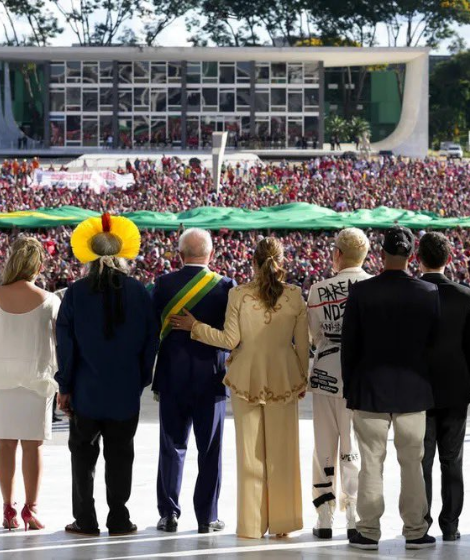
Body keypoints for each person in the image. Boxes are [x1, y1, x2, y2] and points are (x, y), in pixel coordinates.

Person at [171, 236, 308, 539]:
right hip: (284, 379)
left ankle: (251, 525)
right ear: (281, 261)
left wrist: (195, 327)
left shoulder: (239, 295)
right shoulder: (296, 295)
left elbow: (228, 341)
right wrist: (302, 380)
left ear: (253, 262)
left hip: (245, 379)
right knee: (283, 454)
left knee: (250, 455)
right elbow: (302, 346)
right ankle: (283, 523)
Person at [56, 213, 157, 537]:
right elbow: (150, 341)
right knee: (120, 456)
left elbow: (66, 346)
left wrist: (65, 386)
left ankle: (85, 519)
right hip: (124, 391)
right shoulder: (139, 293)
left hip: (86, 391)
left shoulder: (75, 293)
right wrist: (140, 378)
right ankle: (118, 518)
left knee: (83, 458)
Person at [341, 226, 439, 550]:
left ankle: (368, 530)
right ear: (412, 256)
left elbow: (349, 347)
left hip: (370, 388)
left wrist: (350, 388)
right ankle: (415, 529)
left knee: (371, 462)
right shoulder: (427, 292)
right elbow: (433, 345)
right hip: (413, 389)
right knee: (413, 463)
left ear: (381, 254)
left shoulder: (362, 292)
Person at [0, 237, 60, 531]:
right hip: (37, 380)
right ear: (38, 264)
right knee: (32, 447)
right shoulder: (50, 301)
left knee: (5, 444)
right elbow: (60, 344)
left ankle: (8, 508)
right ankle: (30, 509)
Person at [152, 228, 235, 534]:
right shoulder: (225, 286)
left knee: (172, 447)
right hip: (211, 380)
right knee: (210, 450)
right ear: (210, 254)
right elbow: (233, 335)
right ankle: (207, 517)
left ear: (180, 255)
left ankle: (169, 514)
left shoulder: (162, 285)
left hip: (172, 377)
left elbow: (151, 332)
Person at [306, 228, 372, 539]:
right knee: (353, 450)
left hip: (324, 375)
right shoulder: (373, 286)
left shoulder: (319, 290)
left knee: (324, 449)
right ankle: (354, 518)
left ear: (337, 255)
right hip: (360, 379)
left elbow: (314, 336)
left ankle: (323, 518)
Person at [418, 232, 470, 541]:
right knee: (452, 461)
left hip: (419, 390)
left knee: (423, 462)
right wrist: (469, 385)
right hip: (456, 387)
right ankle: (451, 525)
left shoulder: (412, 293)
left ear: (419, 259)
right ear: (449, 259)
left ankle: (422, 524)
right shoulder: (463, 294)